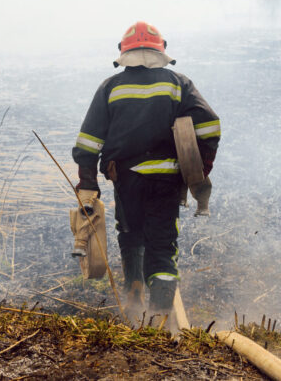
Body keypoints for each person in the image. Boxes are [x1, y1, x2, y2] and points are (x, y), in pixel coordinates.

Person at [71, 21, 221, 322]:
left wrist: (87, 183)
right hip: (167, 180)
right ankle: (161, 317)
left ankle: (134, 294)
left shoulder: (110, 88)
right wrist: (199, 170)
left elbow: (88, 141)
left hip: (127, 180)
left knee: (130, 232)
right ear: (160, 51)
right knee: (163, 246)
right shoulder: (178, 84)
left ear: (123, 54)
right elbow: (209, 125)